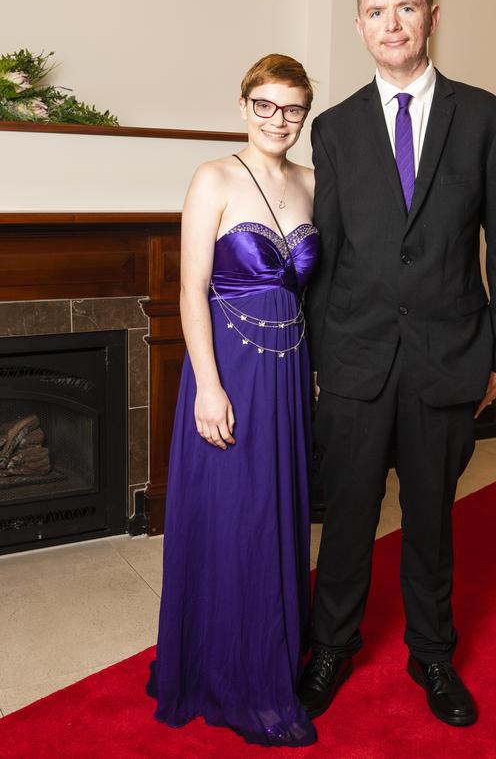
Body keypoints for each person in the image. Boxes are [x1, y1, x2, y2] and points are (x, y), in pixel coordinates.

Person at [299, 0, 496, 727]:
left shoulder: (489, 119)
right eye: (375, 11)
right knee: (349, 519)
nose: (391, 23)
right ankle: (330, 646)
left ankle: (433, 656)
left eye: (405, 7)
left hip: (449, 359)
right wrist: (321, 359)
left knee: (431, 523)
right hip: (356, 360)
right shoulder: (331, 132)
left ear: (431, 18)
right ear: (360, 25)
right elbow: (326, 259)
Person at [147, 54, 319, 747]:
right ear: (243, 105)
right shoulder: (213, 177)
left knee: (279, 511)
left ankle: (270, 657)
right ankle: (220, 666)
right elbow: (191, 288)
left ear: (305, 113)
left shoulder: (314, 182)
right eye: (265, 105)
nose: (278, 120)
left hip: (288, 367)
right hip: (227, 368)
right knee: (232, 514)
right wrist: (208, 385)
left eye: (292, 108)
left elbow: (317, 289)